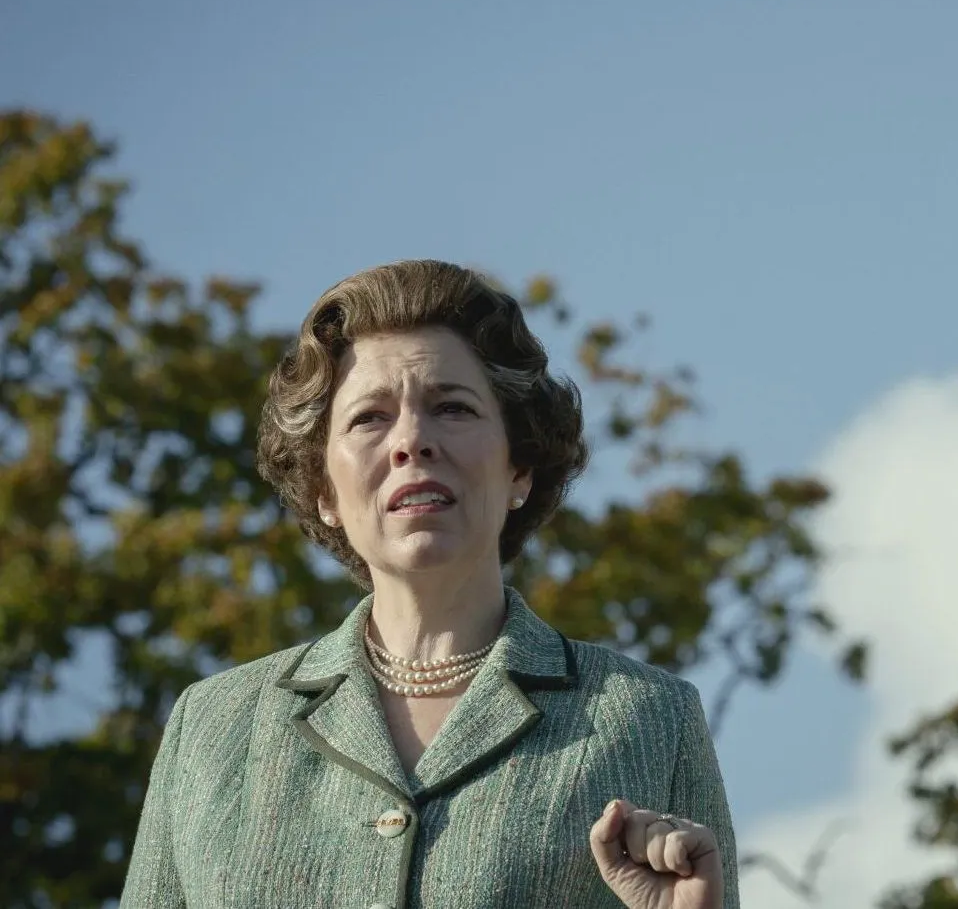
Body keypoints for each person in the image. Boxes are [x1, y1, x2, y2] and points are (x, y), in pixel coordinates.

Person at [121, 259, 736, 909]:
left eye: (452, 407)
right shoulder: (212, 728)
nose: (412, 440)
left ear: (519, 467)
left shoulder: (649, 720)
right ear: (323, 488)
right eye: (368, 419)